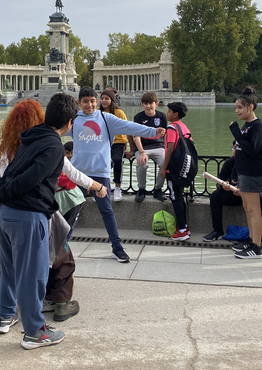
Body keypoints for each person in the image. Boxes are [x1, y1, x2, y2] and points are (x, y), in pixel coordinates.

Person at [0, 101, 106, 323]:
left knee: (10, 261)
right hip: (34, 209)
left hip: (5, 208)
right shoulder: (49, 145)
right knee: (60, 256)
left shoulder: (15, 145)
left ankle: (0, 306)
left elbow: (6, 177)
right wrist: (97, 186)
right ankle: (54, 308)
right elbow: (70, 173)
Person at [0, 93, 79, 350]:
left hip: (4, 215)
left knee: (10, 269)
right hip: (27, 217)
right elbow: (31, 179)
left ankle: (4, 316)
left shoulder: (30, 136)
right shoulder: (54, 146)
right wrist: (1, 194)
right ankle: (35, 332)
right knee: (33, 276)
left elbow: (13, 171)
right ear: (69, 123)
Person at [71, 87, 165, 263]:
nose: (90, 105)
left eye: (92, 101)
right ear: (79, 103)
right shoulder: (74, 120)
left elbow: (130, 126)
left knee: (107, 211)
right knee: (71, 210)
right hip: (78, 173)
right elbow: (55, 131)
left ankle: (117, 247)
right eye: (85, 101)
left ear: (96, 101)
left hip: (100, 172)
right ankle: (61, 246)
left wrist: (153, 132)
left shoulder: (106, 119)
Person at [202, 145, 262, 247]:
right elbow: (220, 182)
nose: (235, 150)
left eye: (237, 148)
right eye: (234, 147)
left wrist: (245, 191)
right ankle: (217, 231)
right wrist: (224, 186)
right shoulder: (230, 163)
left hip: (250, 195)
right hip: (233, 194)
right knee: (215, 196)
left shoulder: (255, 163)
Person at [228, 87, 262, 259]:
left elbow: (253, 150)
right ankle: (252, 240)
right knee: (247, 208)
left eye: (240, 107)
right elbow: (239, 151)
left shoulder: (257, 126)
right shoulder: (246, 126)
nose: (237, 111)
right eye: (236, 107)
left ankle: (257, 246)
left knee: (254, 210)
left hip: (253, 173)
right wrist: (235, 172)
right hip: (244, 172)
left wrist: (236, 133)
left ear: (250, 107)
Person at [159, 102, 193, 241]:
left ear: (175, 114)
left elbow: (170, 148)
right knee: (179, 195)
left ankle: (183, 231)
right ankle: (184, 226)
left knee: (175, 196)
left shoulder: (172, 128)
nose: (167, 114)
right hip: (183, 167)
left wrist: (163, 168)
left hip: (173, 168)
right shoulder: (184, 127)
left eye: (169, 111)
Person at [129, 91, 168, 203]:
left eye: (150, 103)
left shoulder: (162, 116)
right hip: (143, 147)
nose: (148, 106)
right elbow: (137, 137)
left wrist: (166, 149)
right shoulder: (138, 117)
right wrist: (141, 152)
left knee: (164, 164)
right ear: (142, 105)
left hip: (158, 145)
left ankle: (158, 189)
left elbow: (165, 135)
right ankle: (141, 189)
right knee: (142, 164)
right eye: (145, 103)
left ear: (156, 103)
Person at [99, 88, 132, 202]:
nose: (104, 101)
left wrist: (132, 149)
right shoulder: (97, 112)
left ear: (112, 100)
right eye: (102, 98)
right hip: (103, 142)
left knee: (117, 160)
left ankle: (117, 187)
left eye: (106, 98)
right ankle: (101, 187)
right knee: (101, 162)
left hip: (118, 142)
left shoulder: (119, 113)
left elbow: (128, 130)